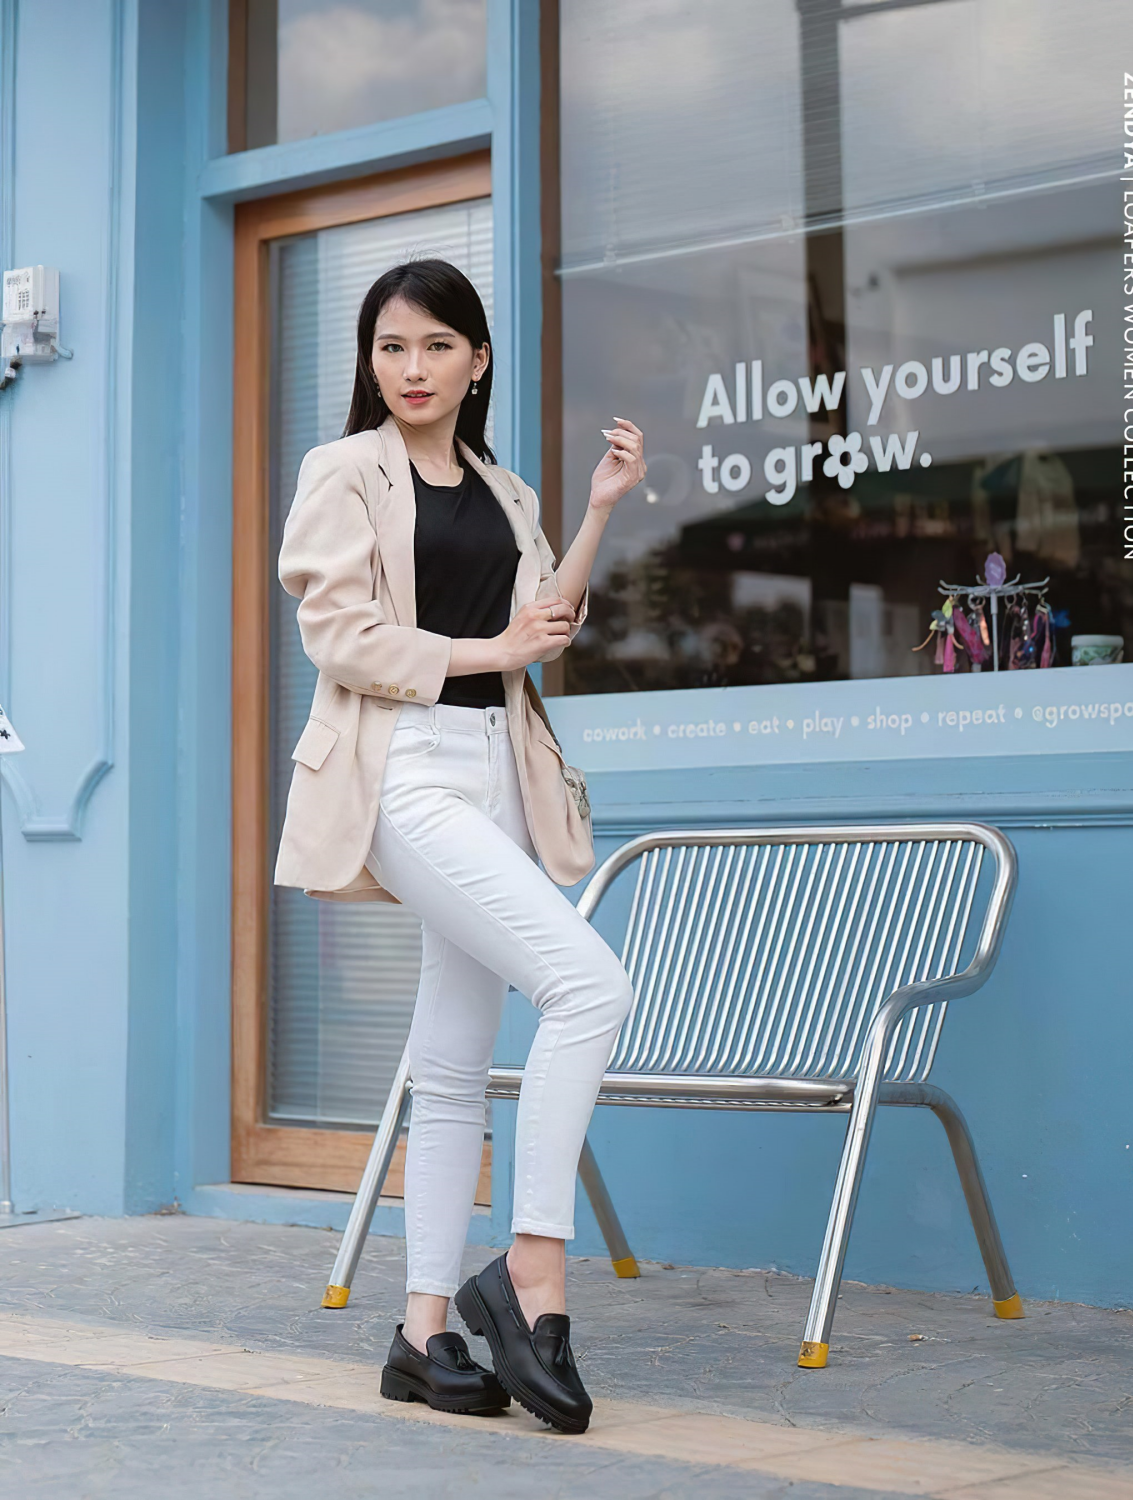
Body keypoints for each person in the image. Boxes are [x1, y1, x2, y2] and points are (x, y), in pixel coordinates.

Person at [274, 258, 645, 1434]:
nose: (412, 368)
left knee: (450, 1062)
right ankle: (532, 1274)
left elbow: (548, 626)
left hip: (495, 776)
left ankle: (423, 1332)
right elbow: (339, 635)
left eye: (436, 346)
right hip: (406, 768)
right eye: (391, 347)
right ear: (369, 362)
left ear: (477, 359)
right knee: (590, 984)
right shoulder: (342, 471)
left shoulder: (507, 487)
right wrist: (490, 649)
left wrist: (594, 511)